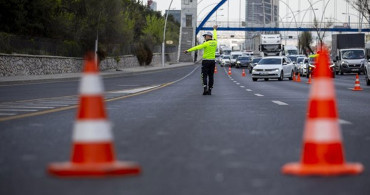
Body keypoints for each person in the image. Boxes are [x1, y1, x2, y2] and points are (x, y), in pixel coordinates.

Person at [184, 25, 218, 95]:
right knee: (211, 76)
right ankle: (210, 90)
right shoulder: (215, 42)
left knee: (204, 75)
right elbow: (215, 36)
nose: (204, 37)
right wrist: (214, 29)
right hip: (212, 61)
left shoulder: (205, 43)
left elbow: (197, 47)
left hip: (206, 61)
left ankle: (205, 89)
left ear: (208, 36)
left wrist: (188, 50)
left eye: (205, 36)